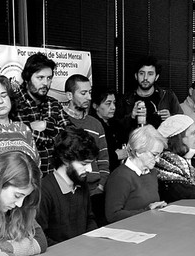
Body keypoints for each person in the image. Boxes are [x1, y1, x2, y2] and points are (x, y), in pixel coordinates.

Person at [37, 127, 99, 246]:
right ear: (65, 160)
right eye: (84, 164)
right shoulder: (44, 191)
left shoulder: (81, 183)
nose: (90, 169)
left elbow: (89, 219)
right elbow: (40, 237)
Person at [13, 53, 73, 174]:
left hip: (54, 178)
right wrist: (56, 138)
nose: (46, 83)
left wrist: (46, 126)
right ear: (27, 78)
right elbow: (21, 140)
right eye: (40, 78)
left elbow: (72, 137)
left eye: (49, 78)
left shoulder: (53, 103)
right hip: (26, 178)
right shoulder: (14, 104)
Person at [63, 74, 109, 225]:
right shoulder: (60, 121)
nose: (88, 97)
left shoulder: (96, 124)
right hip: (70, 193)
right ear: (69, 95)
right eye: (83, 93)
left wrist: (101, 185)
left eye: (89, 92)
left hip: (95, 192)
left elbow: (103, 158)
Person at [104, 125, 168, 223]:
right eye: (154, 154)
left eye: (160, 154)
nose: (158, 160)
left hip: (151, 225)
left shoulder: (152, 173)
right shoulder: (120, 177)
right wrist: (146, 211)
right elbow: (112, 216)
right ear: (138, 152)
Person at [117, 55, 183, 131]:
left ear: (156, 77)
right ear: (136, 76)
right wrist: (131, 116)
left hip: (161, 141)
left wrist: (170, 118)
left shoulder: (168, 96)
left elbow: (182, 123)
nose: (145, 78)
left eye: (150, 74)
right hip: (135, 141)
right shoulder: (126, 99)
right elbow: (117, 129)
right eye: (141, 73)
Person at [91, 87, 127, 171]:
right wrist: (115, 156)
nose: (113, 107)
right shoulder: (93, 126)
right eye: (108, 103)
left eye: (114, 103)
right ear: (95, 106)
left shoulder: (117, 125)